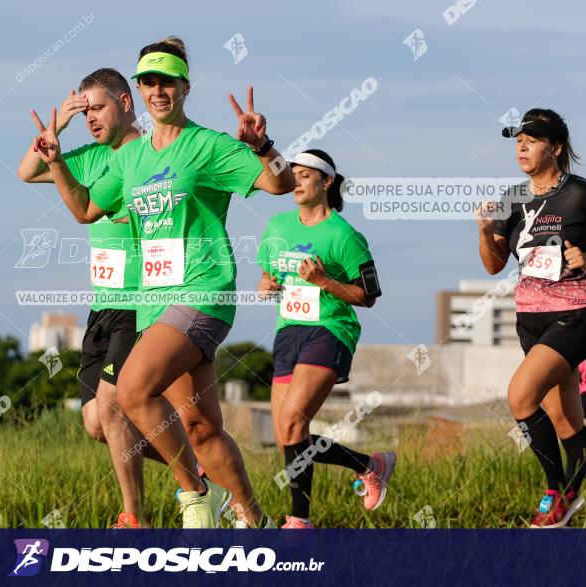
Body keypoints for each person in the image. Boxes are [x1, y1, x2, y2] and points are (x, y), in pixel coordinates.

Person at [30, 36, 295, 528]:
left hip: (203, 291)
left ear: (184, 86)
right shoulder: (129, 160)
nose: (157, 90)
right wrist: (56, 162)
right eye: (148, 81)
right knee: (199, 428)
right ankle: (255, 521)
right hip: (156, 304)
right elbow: (86, 210)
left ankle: (195, 495)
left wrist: (263, 146)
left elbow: (280, 184)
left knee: (130, 391)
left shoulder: (208, 145)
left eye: (166, 82)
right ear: (139, 89)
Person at [18, 68, 170, 528]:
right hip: (101, 306)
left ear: (126, 103)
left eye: (97, 108)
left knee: (112, 407)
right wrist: (55, 131)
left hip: (138, 303)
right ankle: (200, 469)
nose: (91, 120)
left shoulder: (150, 154)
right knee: (96, 424)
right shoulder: (87, 159)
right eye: (83, 112)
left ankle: (134, 518)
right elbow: (26, 171)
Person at [257, 150, 393, 528]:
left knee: (293, 424)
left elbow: (367, 296)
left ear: (327, 182)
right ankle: (370, 465)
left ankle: (299, 522)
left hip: (330, 329)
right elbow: (267, 277)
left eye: (305, 175)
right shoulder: (278, 227)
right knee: (287, 433)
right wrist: (266, 285)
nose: (296, 182)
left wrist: (324, 282)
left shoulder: (345, 235)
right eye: (293, 175)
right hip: (288, 331)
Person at [478, 108, 586, 527]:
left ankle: (554, 492)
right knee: (566, 422)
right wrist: (485, 232)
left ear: (556, 147)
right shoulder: (512, 198)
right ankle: (571, 494)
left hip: (576, 313)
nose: (521, 146)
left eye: (532, 139)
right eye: (517, 140)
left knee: (520, 396)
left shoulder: (581, 194)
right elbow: (493, 265)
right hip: (530, 319)